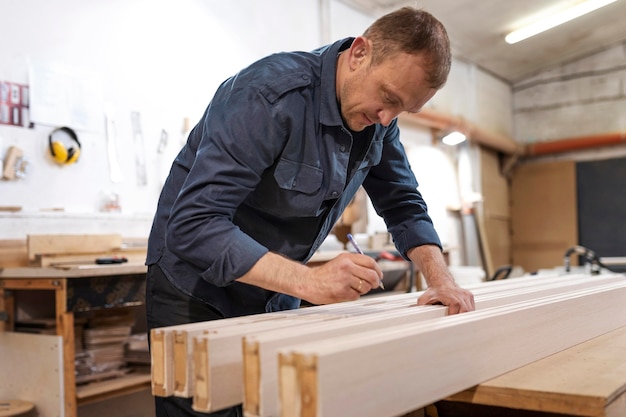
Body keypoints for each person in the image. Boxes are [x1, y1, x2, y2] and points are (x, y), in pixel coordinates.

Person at [145, 6, 475, 417]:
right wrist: (312, 283)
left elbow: (403, 202)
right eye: (388, 98)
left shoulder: (379, 120)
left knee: (274, 405)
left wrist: (441, 280)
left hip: (279, 287)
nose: (387, 118)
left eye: (402, 111)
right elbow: (194, 226)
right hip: (197, 290)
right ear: (359, 52)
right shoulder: (268, 96)